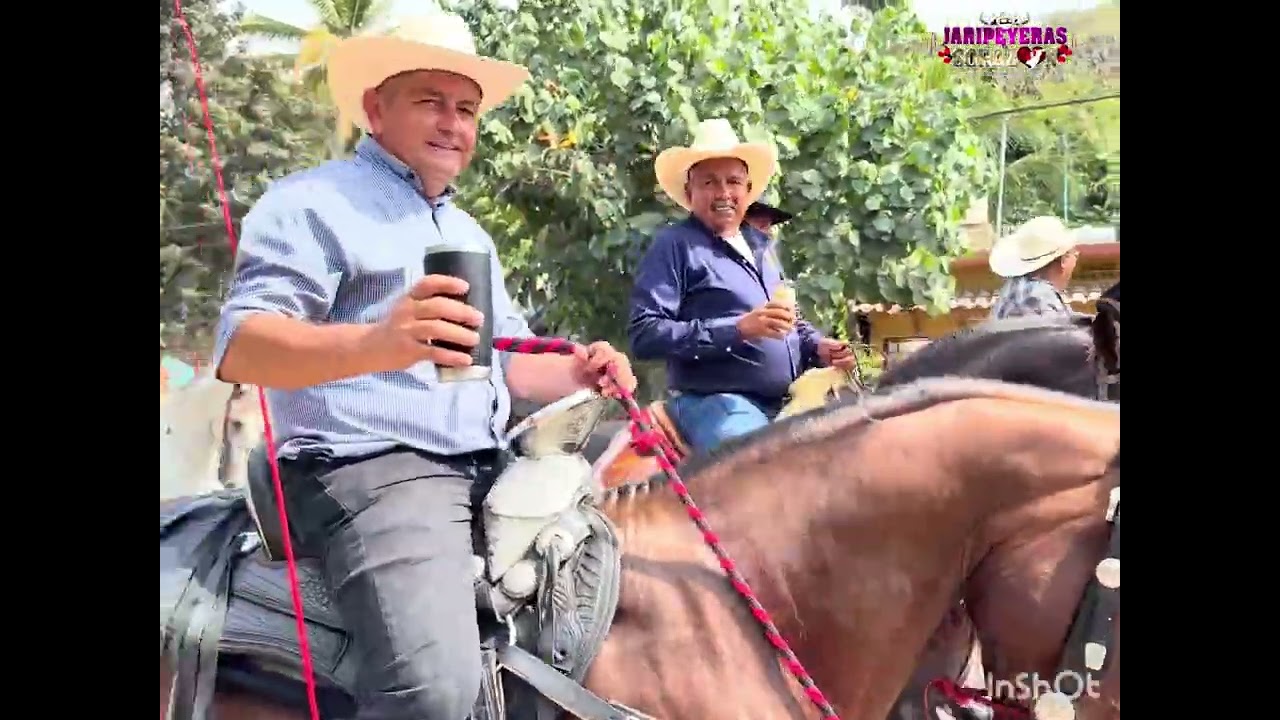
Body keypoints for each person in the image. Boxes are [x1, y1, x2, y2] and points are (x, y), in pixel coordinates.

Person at [209, 14, 636, 720]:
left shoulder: (467, 233)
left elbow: (507, 361)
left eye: (465, 108)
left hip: (484, 461)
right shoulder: (311, 202)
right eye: (429, 101)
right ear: (375, 107)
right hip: (367, 471)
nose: (452, 123)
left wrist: (580, 370)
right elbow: (242, 345)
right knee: (432, 693)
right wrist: (381, 343)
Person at [627, 118, 854, 455]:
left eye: (733, 181)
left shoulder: (761, 246)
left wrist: (819, 347)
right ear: (690, 193)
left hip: (788, 397)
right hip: (716, 404)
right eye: (709, 183)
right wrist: (737, 329)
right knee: (759, 467)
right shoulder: (674, 245)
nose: (723, 193)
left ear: (748, 191)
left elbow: (791, 321)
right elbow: (645, 334)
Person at [987, 215, 1080, 320]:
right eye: (1075, 254)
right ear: (1064, 260)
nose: (1076, 257)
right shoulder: (1046, 301)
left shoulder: (1007, 294)